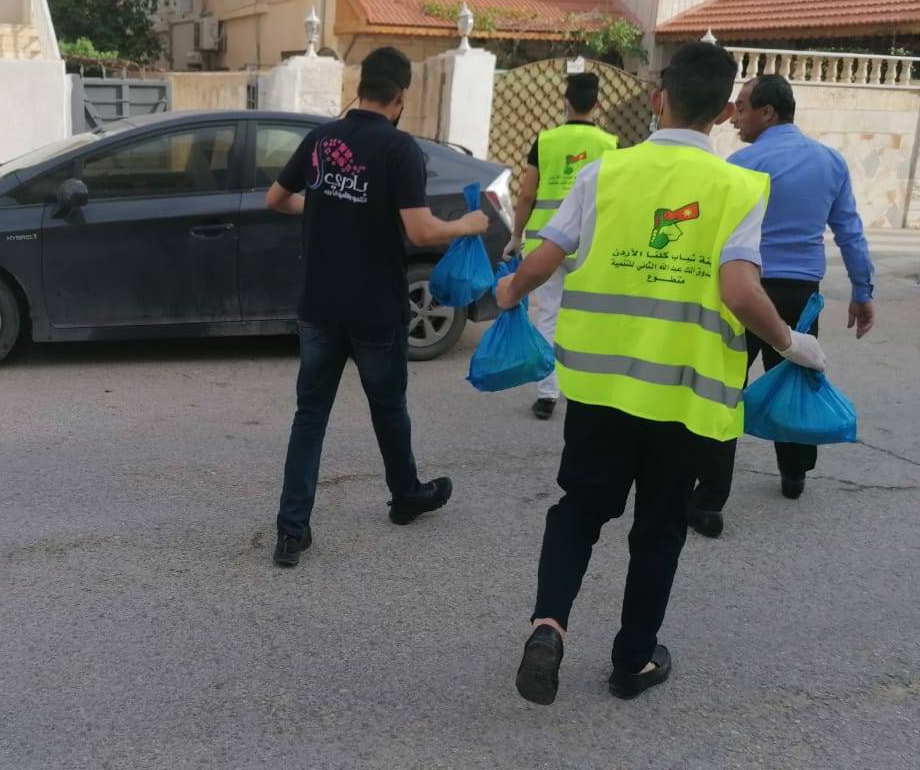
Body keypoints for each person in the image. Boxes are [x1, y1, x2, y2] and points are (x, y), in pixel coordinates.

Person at [496, 42, 828, 705]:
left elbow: (545, 256)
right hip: (684, 396)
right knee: (659, 531)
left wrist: (508, 293)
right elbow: (739, 291)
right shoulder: (737, 186)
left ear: (657, 99)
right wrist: (793, 343)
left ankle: (548, 625)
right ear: (726, 110)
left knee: (579, 510)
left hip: (601, 388)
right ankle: (632, 661)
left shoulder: (605, 174)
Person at [265, 47, 490, 568]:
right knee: (388, 408)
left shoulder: (321, 139)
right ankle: (406, 495)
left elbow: (275, 198)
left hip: (319, 304)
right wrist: (468, 224)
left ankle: (291, 531)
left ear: (360, 86)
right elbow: (421, 230)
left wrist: (323, 204)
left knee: (310, 416)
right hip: (375, 308)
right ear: (401, 96)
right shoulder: (398, 148)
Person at [687, 75, 877, 538]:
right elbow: (849, 230)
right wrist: (862, 290)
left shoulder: (741, 164)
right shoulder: (830, 162)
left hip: (746, 289)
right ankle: (794, 474)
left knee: (725, 390)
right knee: (795, 373)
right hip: (801, 293)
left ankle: (709, 502)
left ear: (768, 112)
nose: (735, 119)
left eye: (743, 108)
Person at [506, 72, 618, 421]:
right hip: (590, 244)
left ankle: (546, 395)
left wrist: (516, 236)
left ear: (565, 102)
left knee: (548, 316)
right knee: (586, 318)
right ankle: (583, 389)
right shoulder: (611, 145)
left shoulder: (546, 141)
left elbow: (527, 194)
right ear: (597, 104)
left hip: (547, 242)